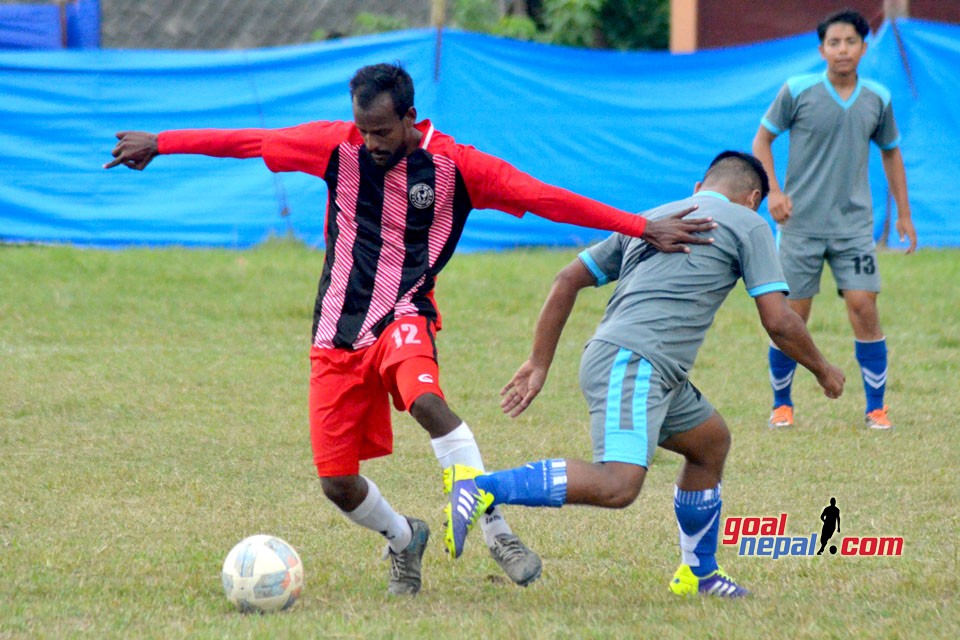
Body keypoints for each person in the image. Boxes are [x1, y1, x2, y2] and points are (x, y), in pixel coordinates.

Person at [104, 63, 717, 596]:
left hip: (404, 314)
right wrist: (163, 142)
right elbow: (252, 141)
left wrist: (639, 228)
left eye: (381, 131)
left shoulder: (459, 167)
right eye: (363, 129)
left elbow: (544, 197)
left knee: (426, 402)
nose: (369, 142)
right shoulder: (334, 147)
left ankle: (496, 527)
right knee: (337, 484)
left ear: (411, 117)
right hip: (335, 335)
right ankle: (404, 538)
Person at [440, 151, 846, 598]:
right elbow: (779, 320)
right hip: (633, 361)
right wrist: (824, 371)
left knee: (710, 443)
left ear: (697, 188)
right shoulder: (749, 223)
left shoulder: (651, 218)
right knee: (619, 485)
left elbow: (566, 279)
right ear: (753, 199)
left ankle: (698, 574)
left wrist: (539, 362)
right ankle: (481, 487)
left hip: (649, 365)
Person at [752, 9, 917, 431]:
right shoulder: (798, 90)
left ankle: (876, 408)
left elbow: (892, 151)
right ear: (822, 49)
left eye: (850, 42)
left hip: (853, 227)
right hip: (799, 225)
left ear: (863, 48)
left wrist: (903, 213)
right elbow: (763, 139)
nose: (842, 50)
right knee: (792, 317)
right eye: (834, 43)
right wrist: (773, 191)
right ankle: (782, 405)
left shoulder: (876, 98)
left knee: (864, 306)